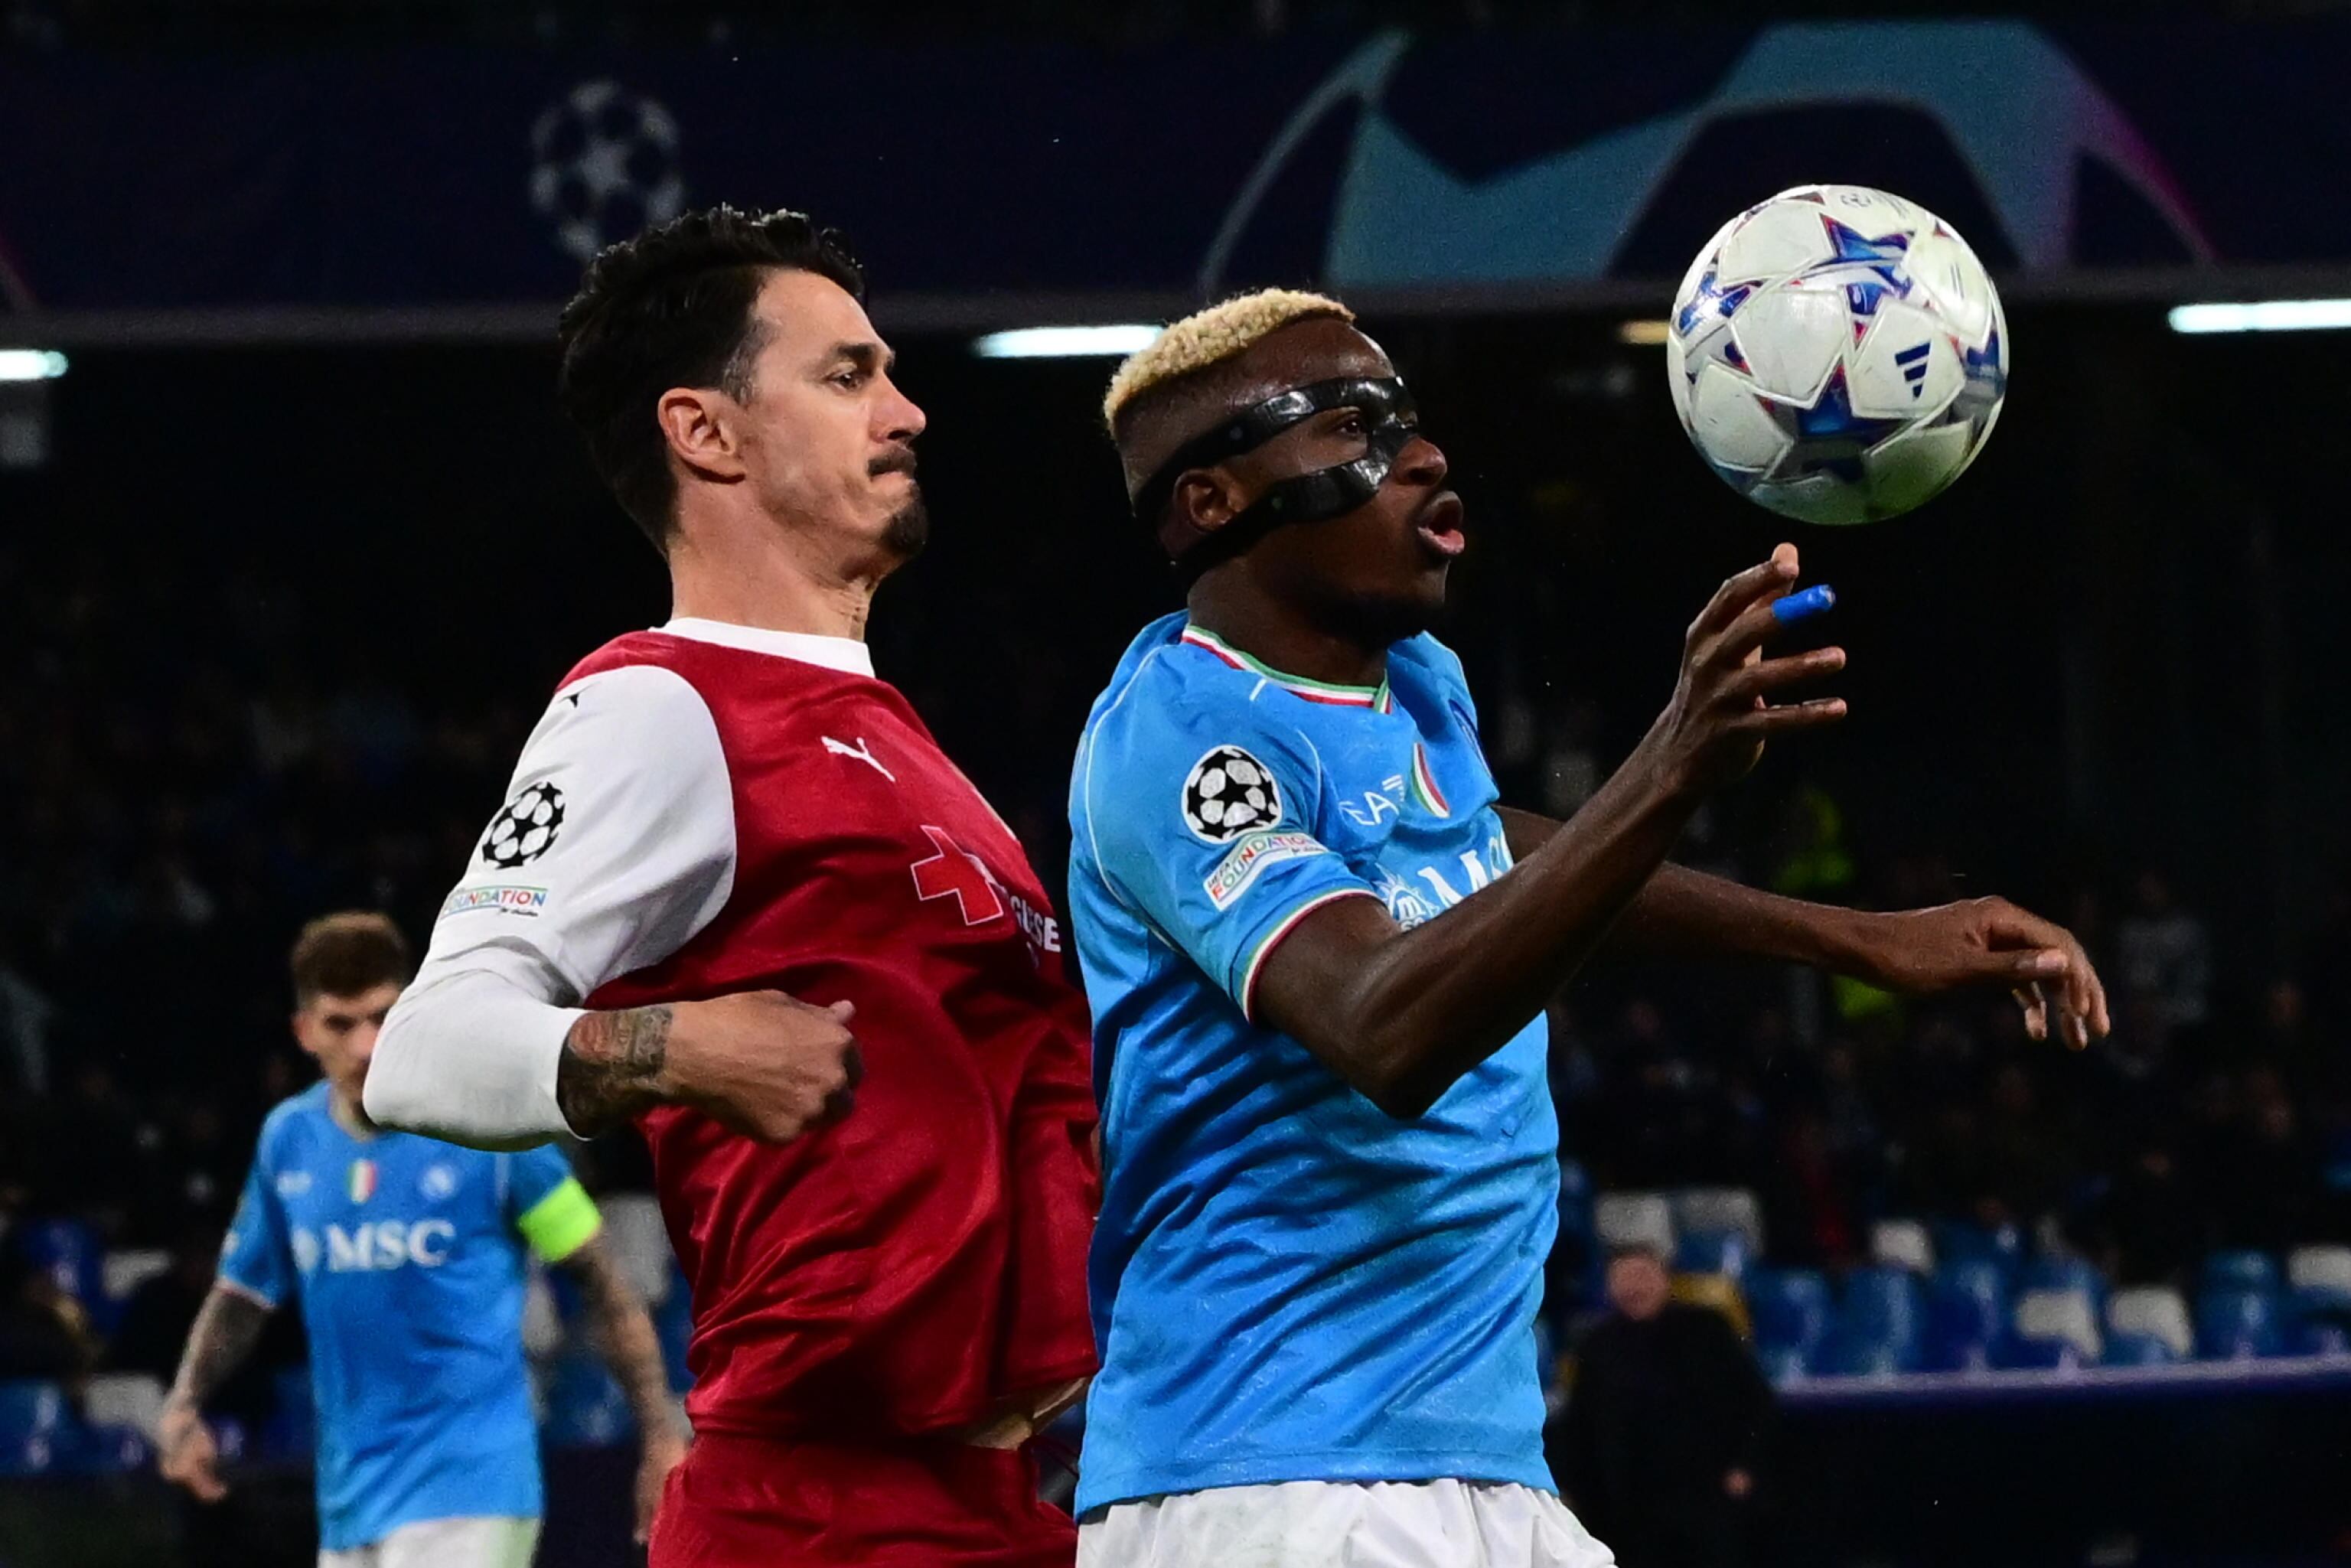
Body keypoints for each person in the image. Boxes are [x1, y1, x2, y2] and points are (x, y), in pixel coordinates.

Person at [1065, 288, 2110, 1566]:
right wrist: (1667, 766)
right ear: (1209, 502)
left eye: (1409, 418)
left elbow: (1488, 850)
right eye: (1350, 424)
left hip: (1475, 1458)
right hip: (1269, 1473)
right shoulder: (1181, 734)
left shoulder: (1412, 689)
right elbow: (1380, 1025)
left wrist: (1853, 937)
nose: (1426, 453)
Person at [361, 206, 1099, 1566]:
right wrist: (675, 1043)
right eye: (847, 373)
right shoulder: (661, 705)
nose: (909, 409)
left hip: (1009, 1505)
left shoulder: (904, 741)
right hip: (815, 1516)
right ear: (706, 431)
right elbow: (423, 1046)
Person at [156, 912, 684, 1568]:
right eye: (341, 1024)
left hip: (473, 1484)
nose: (366, 1048)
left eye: (381, 1017)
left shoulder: (487, 1124)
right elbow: (242, 1293)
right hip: (351, 1503)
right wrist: (184, 1405)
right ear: (303, 1032)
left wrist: (660, 1433)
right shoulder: (287, 1141)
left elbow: (600, 1281)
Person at [1550, 1246, 1773, 1568]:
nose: (1634, 1286)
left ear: (1665, 1279)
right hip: (1627, 1511)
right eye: (1623, 1278)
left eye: (1642, 1275)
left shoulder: (1709, 1331)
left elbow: (1755, 1402)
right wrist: (1571, 1488)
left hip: (1705, 1498)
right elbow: (1579, 1425)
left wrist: (1746, 1465)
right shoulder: (1596, 1346)